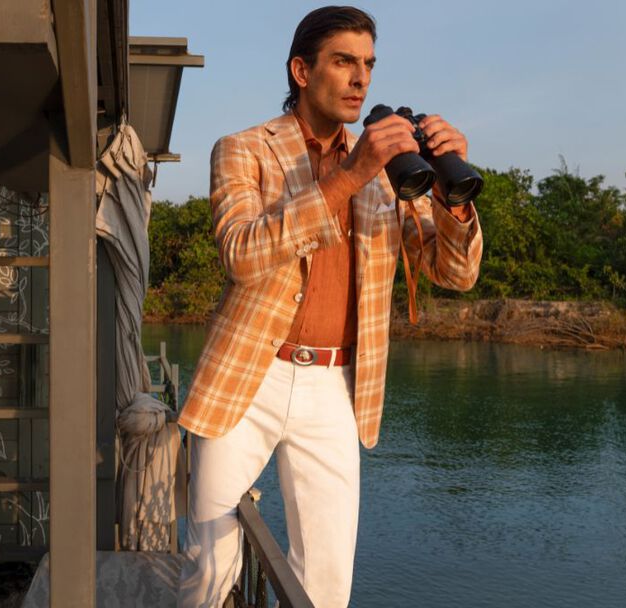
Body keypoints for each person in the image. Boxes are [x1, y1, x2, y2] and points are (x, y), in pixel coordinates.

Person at [177, 7, 483, 607]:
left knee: (325, 585)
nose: (360, 78)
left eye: (368, 64)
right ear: (301, 70)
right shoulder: (245, 150)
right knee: (209, 569)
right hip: (249, 375)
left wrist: (453, 198)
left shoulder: (396, 171)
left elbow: (455, 273)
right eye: (344, 61)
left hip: (338, 388)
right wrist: (350, 174)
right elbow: (241, 253)